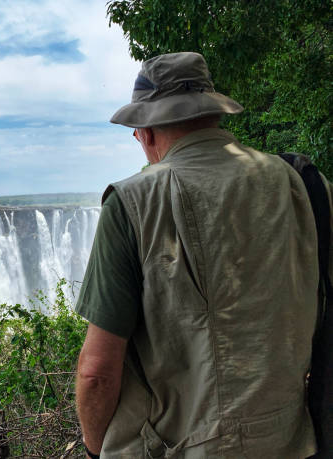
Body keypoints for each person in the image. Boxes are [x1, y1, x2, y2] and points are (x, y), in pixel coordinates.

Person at [75, 52, 331, 458]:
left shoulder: (132, 203)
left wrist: (91, 450)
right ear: (213, 114)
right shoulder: (305, 186)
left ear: (146, 131)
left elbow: (97, 374)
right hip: (293, 440)